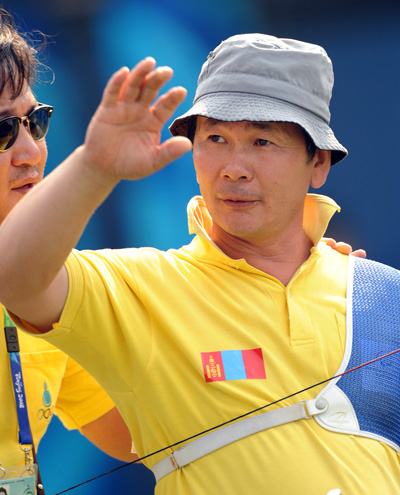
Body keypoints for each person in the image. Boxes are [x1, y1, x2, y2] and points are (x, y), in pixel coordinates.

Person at [0, 27, 395, 495]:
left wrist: (337, 292)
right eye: (215, 138)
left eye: (263, 141)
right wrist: (95, 166)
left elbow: (152, 431)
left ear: (320, 162)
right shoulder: (136, 285)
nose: (233, 167)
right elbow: (16, 279)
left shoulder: (377, 295)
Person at [0, 7, 137, 486]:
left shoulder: (52, 285)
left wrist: (285, 291)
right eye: (1, 131)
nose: (31, 151)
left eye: (34, 121)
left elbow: (154, 433)